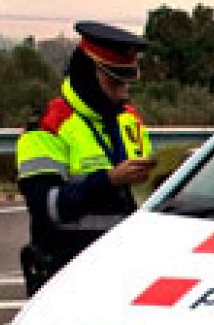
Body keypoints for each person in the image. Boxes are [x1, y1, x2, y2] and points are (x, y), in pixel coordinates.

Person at [16, 21, 154, 294]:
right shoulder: (48, 127)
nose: (123, 93)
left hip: (125, 271)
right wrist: (109, 180)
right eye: (114, 83)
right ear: (88, 76)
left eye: (127, 83)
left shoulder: (130, 120)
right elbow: (47, 207)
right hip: (68, 275)